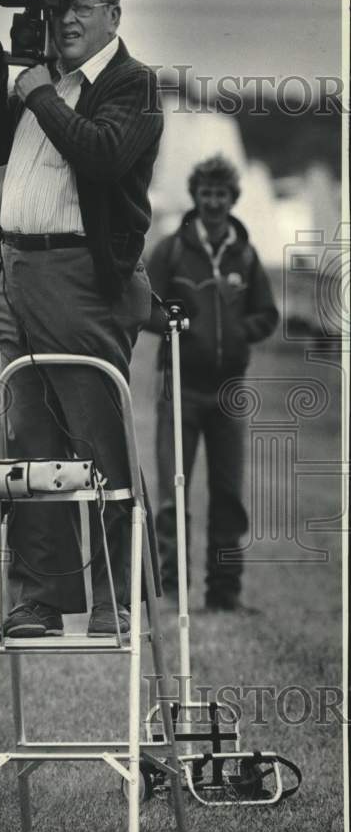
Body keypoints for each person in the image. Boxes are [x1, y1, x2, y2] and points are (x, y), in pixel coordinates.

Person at [0, 0, 163, 638]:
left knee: (98, 443)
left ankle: (118, 598)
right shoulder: (42, 81)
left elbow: (102, 155)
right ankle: (41, 599)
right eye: (55, 6)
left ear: (112, 12)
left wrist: (36, 91)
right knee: (31, 449)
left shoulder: (129, 82)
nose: (64, 18)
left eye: (79, 5)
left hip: (79, 276)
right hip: (15, 272)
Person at [146, 155, 278, 611]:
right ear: (196, 197)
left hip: (229, 393)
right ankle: (173, 592)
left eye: (222, 195)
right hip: (178, 386)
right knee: (172, 492)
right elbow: (143, 305)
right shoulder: (172, 250)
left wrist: (241, 331)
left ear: (233, 198)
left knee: (228, 495)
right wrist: (181, 322)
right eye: (206, 194)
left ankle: (224, 593)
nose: (214, 203)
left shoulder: (245, 253)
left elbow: (268, 315)